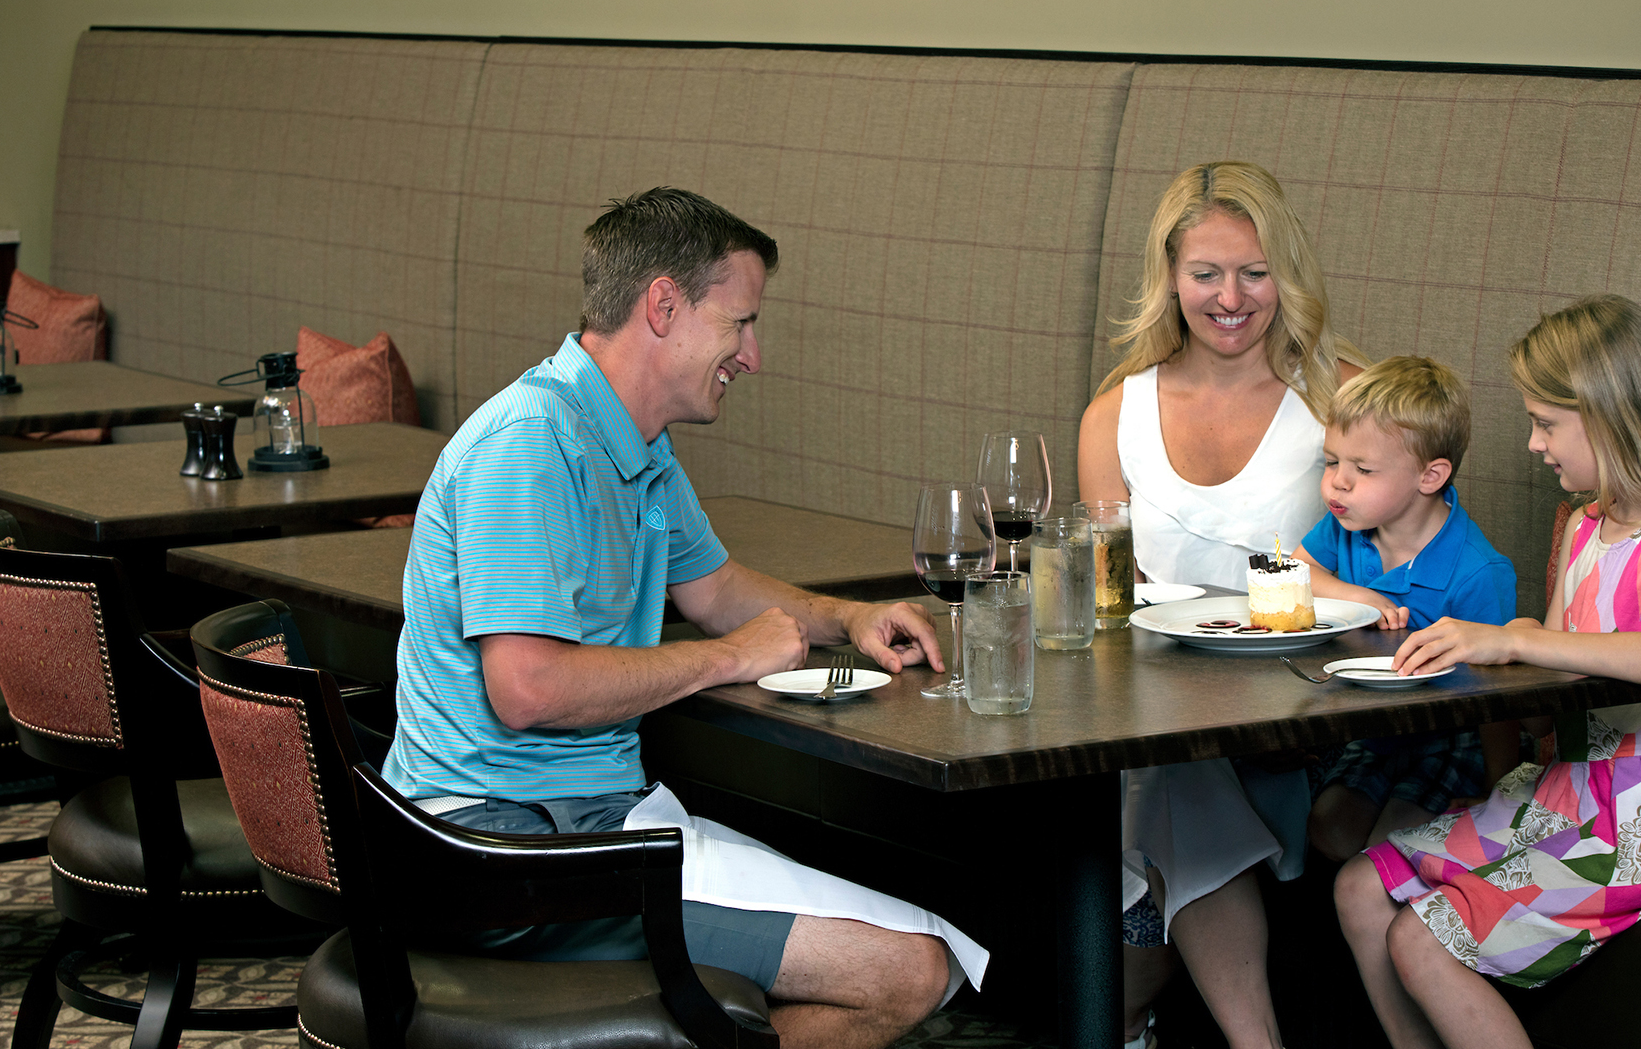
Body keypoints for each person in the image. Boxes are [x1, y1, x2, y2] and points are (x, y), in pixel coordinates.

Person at [382, 187, 985, 1049]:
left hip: (593, 822)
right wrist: (727, 658)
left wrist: (844, 617)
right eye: (739, 322)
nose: (753, 353)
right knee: (906, 969)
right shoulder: (528, 445)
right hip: (501, 852)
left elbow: (716, 589)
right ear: (663, 306)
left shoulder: (639, 448)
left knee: (923, 953)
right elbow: (529, 689)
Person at [1334, 294, 1641, 1049]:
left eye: (1547, 423)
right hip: (1562, 793)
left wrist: (1520, 638)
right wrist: (1480, 669)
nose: (1536, 445)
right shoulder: (1581, 527)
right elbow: (1556, 698)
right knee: (1358, 888)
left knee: (1421, 938)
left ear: (1611, 415)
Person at [1077, 161, 1366, 1049]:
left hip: (1300, 729)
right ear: (1170, 276)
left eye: (1255, 270)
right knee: (1164, 766)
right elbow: (1105, 605)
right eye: (1206, 273)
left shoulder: (1344, 400)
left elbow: (1411, 575)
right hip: (1153, 729)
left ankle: (1129, 1022)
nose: (1230, 296)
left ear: (1288, 271)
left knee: (1154, 794)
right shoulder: (1113, 416)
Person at [1292, 355, 1520, 864]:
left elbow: (1500, 705)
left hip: (1451, 735)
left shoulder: (1477, 572)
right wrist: (1359, 597)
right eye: (1332, 462)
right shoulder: (1345, 527)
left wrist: (1499, 796)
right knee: (1326, 829)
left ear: (1430, 475)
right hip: (1375, 731)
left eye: (1363, 469)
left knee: (1390, 848)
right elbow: (1293, 574)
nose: (1338, 483)